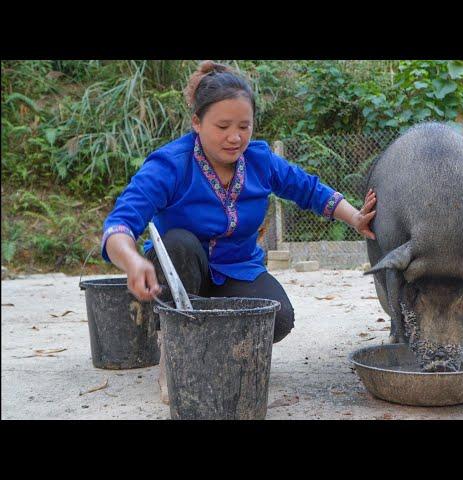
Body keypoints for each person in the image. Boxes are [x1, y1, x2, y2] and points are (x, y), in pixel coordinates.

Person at [102, 61, 377, 403]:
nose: (235, 137)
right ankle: (173, 358)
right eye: (222, 126)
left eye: (244, 126)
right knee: (178, 245)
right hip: (183, 276)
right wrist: (131, 261)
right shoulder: (170, 164)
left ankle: (212, 343)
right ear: (197, 123)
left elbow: (309, 189)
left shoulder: (260, 160)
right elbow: (120, 224)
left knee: (278, 317)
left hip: (237, 270)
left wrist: (355, 218)